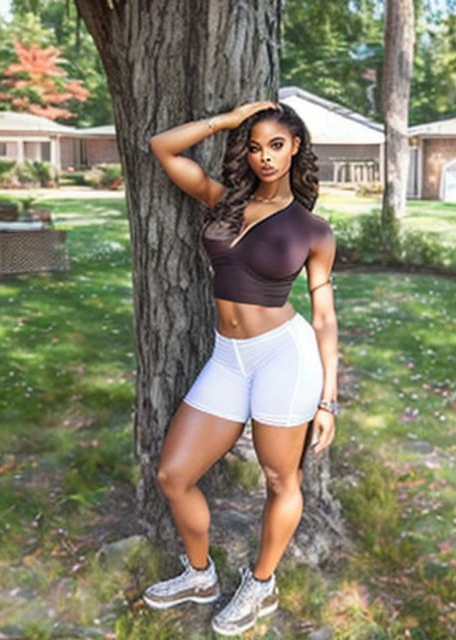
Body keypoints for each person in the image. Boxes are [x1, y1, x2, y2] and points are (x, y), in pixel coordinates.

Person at [143, 100, 339, 636]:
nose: (264, 157)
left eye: (276, 145)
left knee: (280, 478)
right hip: (227, 358)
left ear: (296, 146)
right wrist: (227, 122)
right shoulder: (222, 202)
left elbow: (324, 319)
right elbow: (162, 146)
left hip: (285, 356)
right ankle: (200, 575)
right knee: (174, 474)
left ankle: (261, 582)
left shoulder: (313, 230)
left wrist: (328, 399)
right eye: (255, 147)